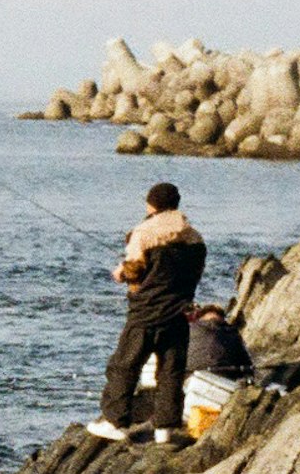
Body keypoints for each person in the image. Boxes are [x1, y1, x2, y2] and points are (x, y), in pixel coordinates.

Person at [91, 182, 205, 441]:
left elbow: (134, 271)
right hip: (178, 313)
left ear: (151, 204)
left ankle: (115, 422)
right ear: (175, 204)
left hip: (146, 312)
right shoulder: (195, 237)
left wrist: (120, 272)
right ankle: (166, 427)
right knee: (170, 372)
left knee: (124, 366)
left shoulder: (143, 233)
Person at [181, 304, 254, 438]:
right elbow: (247, 365)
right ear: (222, 318)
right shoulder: (233, 334)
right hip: (224, 381)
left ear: (201, 316)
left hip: (193, 378)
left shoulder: (189, 329)